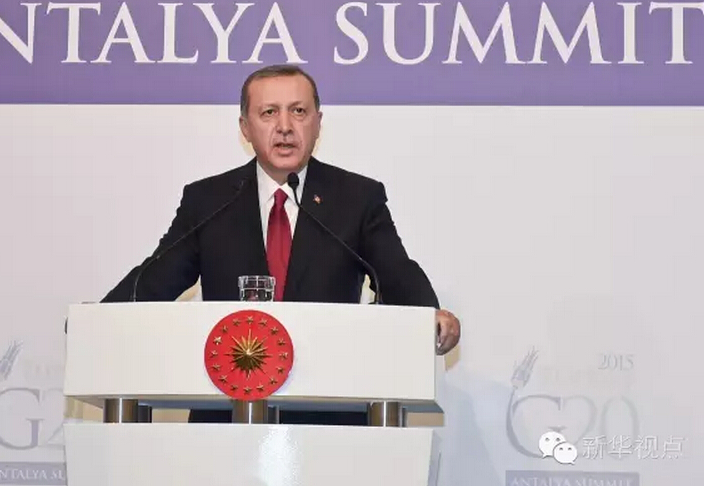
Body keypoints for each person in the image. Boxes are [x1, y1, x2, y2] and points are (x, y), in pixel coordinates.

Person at [101, 64, 461, 424]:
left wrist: (429, 313)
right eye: (269, 112)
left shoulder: (356, 198)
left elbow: (395, 270)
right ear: (245, 127)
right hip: (226, 418)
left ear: (318, 123)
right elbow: (156, 278)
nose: (285, 126)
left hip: (331, 416)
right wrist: (98, 320)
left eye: (298, 111)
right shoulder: (209, 201)